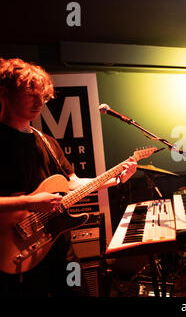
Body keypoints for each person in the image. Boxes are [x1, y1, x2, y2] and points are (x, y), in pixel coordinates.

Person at [0, 57, 138, 296]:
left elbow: (73, 183)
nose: (39, 102)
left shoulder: (47, 141)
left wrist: (117, 178)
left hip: (56, 244)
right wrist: (29, 202)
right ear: (4, 93)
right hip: (12, 250)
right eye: (29, 93)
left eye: (42, 95)